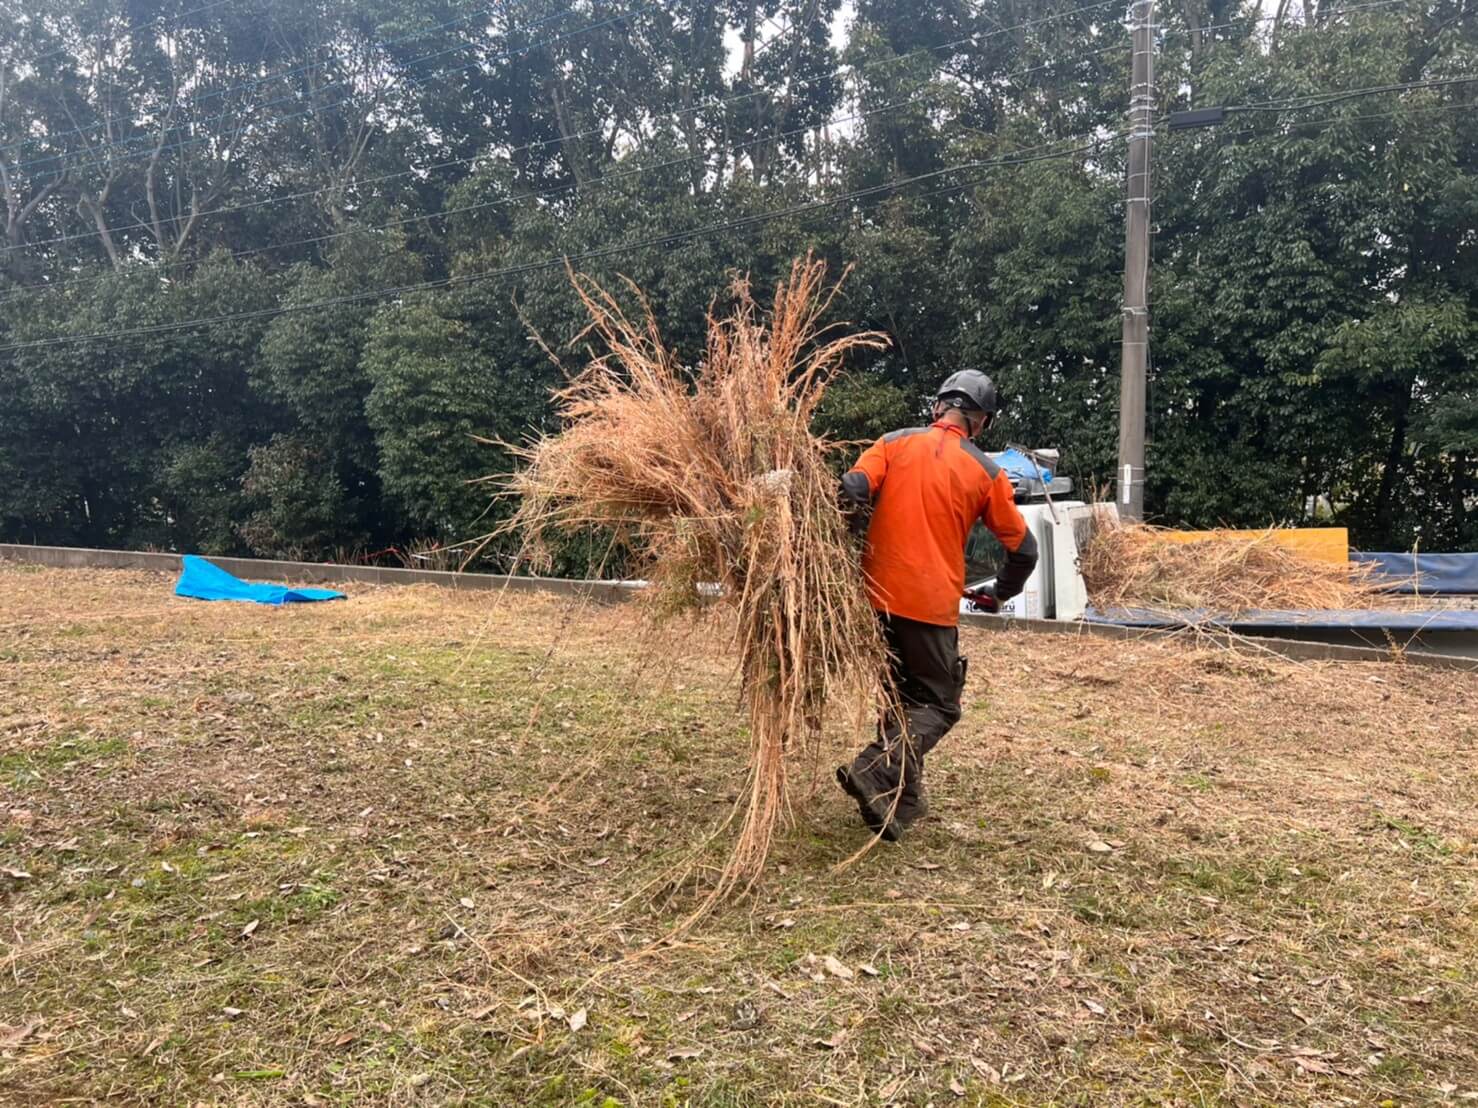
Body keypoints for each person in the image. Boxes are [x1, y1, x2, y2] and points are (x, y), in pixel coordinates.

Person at [835, 370, 1038, 840]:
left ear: (938, 408)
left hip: (873, 597)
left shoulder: (892, 443)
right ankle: (876, 768)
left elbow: (853, 490)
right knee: (941, 705)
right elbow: (1024, 549)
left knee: (902, 700)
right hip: (928, 605)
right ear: (981, 422)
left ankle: (896, 805)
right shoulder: (986, 471)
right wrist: (1001, 591)